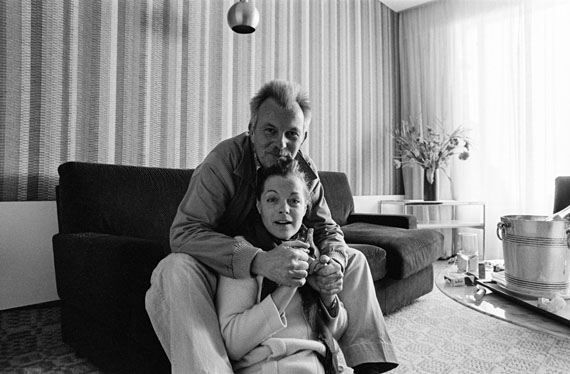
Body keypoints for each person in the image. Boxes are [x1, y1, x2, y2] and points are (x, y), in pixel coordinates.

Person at [145, 79, 398, 374]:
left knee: (354, 259)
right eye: (270, 131)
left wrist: (333, 264)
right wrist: (259, 260)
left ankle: (370, 364)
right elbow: (184, 233)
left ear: (303, 137)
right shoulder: (222, 162)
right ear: (252, 129)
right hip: (224, 260)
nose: (281, 143)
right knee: (175, 268)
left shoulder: (305, 171)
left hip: (283, 252)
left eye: (292, 134)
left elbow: (328, 228)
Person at [217, 157, 352, 373]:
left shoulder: (312, 250)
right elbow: (233, 344)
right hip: (272, 366)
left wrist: (328, 296)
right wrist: (290, 284)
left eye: (294, 201)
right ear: (259, 206)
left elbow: (336, 332)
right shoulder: (243, 252)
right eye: (272, 200)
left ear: (306, 206)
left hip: (321, 363)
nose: (284, 209)